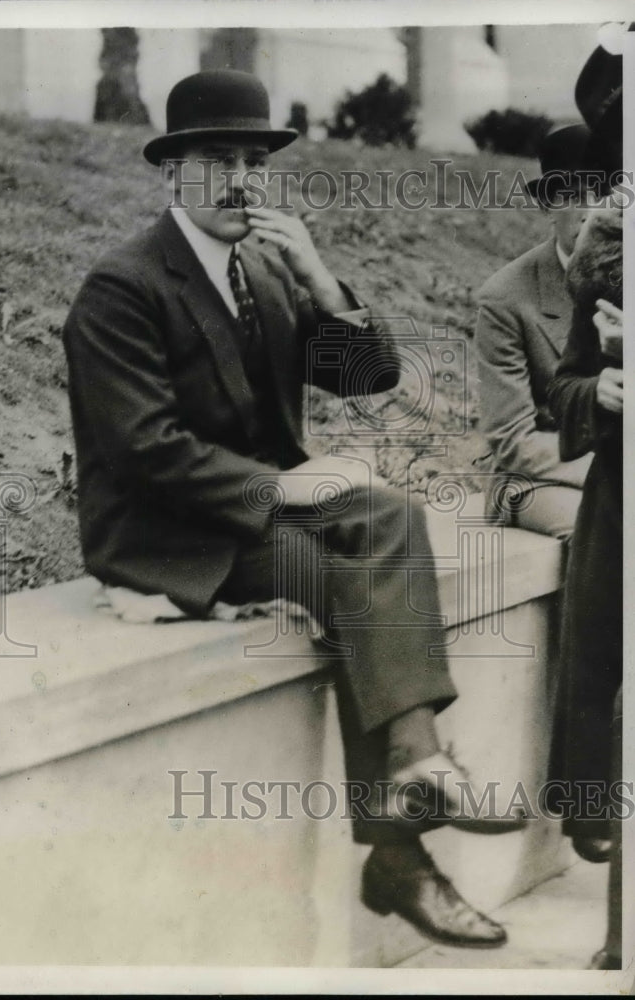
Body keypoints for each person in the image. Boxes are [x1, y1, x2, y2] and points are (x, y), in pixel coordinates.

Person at [63, 69, 523, 950]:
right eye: (216, 162)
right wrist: (281, 487)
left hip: (251, 520)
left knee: (387, 515)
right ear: (174, 176)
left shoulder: (267, 274)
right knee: (349, 575)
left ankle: (414, 766)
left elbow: (368, 376)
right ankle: (403, 854)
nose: (239, 180)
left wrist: (321, 277)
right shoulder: (122, 285)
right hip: (168, 537)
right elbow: (143, 449)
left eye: (252, 161)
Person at [546, 24, 626, 967]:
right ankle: (622, 945)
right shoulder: (610, 246)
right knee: (619, 706)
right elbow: (560, 387)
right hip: (627, 497)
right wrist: (598, 388)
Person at [474, 123, 596, 541]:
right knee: (601, 532)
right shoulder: (506, 298)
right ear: (548, 204)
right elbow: (512, 439)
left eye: (604, 193)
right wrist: (610, 473)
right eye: (574, 194)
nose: (590, 210)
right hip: (538, 480)